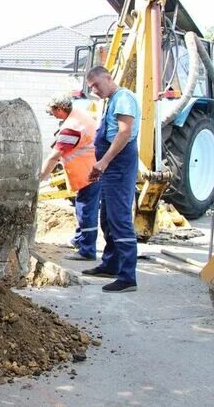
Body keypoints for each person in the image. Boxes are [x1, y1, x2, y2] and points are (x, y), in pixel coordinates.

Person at [81, 65, 141, 293]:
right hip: (111, 166)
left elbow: (124, 132)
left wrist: (104, 162)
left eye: (96, 84)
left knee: (120, 219)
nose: (94, 90)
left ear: (108, 77)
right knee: (107, 217)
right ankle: (111, 264)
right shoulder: (111, 101)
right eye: (91, 87)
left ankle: (127, 277)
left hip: (119, 164)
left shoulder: (123, 97)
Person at [39, 93, 101, 261]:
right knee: (84, 207)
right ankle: (79, 241)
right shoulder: (79, 114)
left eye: (52, 111)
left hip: (87, 173)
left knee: (86, 211)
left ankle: (87, 250)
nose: (52, 115)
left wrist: (39, 178)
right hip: (91, 169)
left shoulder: (71, 128)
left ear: (60, 109)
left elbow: (53, 157)